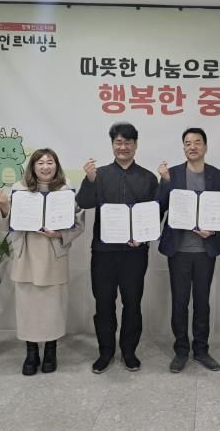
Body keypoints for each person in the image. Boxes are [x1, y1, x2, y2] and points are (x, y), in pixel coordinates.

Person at [75, 122, 158, 374]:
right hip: (104, 253)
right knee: (104, 304)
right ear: (112, 145)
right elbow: (83, 202)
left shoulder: (148, 178)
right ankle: (106, 352)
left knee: (132, 304)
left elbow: (154, 213)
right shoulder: (99, 175)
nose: (123, 147)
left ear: (136, 145)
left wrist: (143, 238)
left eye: (128, 142)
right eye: (118, 142)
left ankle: (129, 352)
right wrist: (90, 180)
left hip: (135, 253)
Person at [0, 148, 84, 376]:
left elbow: (78, 224)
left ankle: (51, 352)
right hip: (26, 255)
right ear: (33, 167)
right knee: (28, 307)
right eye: (41, 163)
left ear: (57, 165)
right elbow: (6, 225)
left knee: (53, 307)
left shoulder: (66, 190)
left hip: (53, 256)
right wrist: (4, 206)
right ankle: (31, 353)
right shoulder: (19, 189)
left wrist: (59, 234)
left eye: (50, 162)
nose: (45, 167)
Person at [157, 128, 220, 373]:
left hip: (205, 250)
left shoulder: (217, 175)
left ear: (205, 147)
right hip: (178, 249)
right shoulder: (172, 174)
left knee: (202, 302)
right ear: (183, 148)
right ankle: (181, 350)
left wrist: (214, 228)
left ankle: (201, 349)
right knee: (179, 302)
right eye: (188, 143)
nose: (192, 147)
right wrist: (164, 182)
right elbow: (160, 205)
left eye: (197, 142)